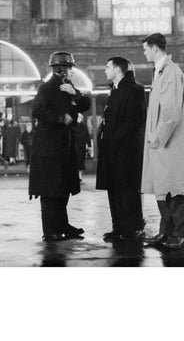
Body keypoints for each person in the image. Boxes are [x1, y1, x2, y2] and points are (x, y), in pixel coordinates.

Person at [28, 51, 91, 242]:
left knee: (62, 190)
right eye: (70, 68)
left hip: (63, 148)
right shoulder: (46, 88)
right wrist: (60, 118)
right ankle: (50, 230)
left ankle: (62, 225)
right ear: (61, 70)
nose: (72, 72)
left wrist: (75, 93)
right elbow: (37, 110)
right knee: (50, 191)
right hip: (48, 150)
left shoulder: (68, 87)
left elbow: (85, 104)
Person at [141, 33, 184, 250]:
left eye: (145, 48)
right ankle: (166, 232)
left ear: (155, 49)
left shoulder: (171, 72)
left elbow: (170, 112)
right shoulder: (161, 72)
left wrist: (157, 137)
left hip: (168, 143)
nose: (144, 52)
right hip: (162, 145)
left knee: (176, 189)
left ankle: (179, 235)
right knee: (164, 188)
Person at [96, 57, 147, 241]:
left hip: (126, 152)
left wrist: (113, 139)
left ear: (118, 70)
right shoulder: (114, 90)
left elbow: (134, 121)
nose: (105, 70)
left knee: (127, 191)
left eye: (108, 67)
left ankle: (133, 228)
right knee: (114, 190)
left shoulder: (135, 89)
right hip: (111, 150)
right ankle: (118, 227)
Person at [73, 114, 91, 183]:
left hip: (82, 147)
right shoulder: (73, 126)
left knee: (81, 162)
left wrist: (89, 145)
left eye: (80, 118)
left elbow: (87, 136)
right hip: (75, 147)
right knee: (76, 162)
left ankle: (80, 176)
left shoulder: (84, 126)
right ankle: (77, 176)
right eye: (78, 117)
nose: (79, 119)